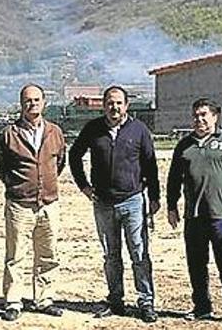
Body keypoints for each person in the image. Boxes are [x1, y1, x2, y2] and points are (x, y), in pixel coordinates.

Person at [69, 85, 160, 323]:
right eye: (110, 103)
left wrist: (154, 197)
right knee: (111, 255)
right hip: (103, 203)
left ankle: (146, 302)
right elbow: (74, 155)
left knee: (139, 254)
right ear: (103, 105)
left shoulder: (139, 130)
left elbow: (151, 165)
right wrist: (84, 186)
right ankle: (115, 300)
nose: (114, 107)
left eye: (119, 103)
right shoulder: (93, 129)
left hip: (132, 201)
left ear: (126, 105)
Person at [166, 98, 222, 326]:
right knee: (196, 265)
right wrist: (171, 206)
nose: (199, 119)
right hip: (193, 217)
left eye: (204, 115)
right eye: (196, 115)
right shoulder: (184, 146)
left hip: (221, 216)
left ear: (215, 117)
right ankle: (202, 307)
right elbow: (173, 179)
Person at [0, 83, 66, 322]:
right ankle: (14, 301)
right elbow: (0, 167)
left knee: (48, 254)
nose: (32, 104)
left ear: (44, 102)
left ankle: (44, 299)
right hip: (19, 205)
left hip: (48, 205)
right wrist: (17, 186)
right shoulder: (9, 135)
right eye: (27, 100)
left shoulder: (55, 132)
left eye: (36, 100)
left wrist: (45, 185)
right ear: (21, 104)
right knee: (16, 256)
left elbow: (60, 163)